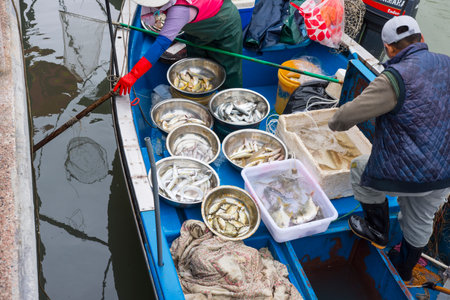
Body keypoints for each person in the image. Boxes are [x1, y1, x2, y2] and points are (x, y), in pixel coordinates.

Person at [328, 15, 449, 282]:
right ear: (423, 40)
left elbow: (343, 118)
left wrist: (332, 122)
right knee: (420, 218)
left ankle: (376, 229)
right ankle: (404, 270)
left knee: (361, 169)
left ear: (389, 49)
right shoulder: (447, 63)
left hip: (411, 172)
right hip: (445, 170)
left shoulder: (395, 77)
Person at [114, 0, 243, 95]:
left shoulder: (179, 11)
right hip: (197, 31)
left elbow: (160, 45)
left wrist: (133, 75)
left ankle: (232, 105)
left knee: (229, 73)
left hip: (225, 26)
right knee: (196, 69)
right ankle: (203, 101)